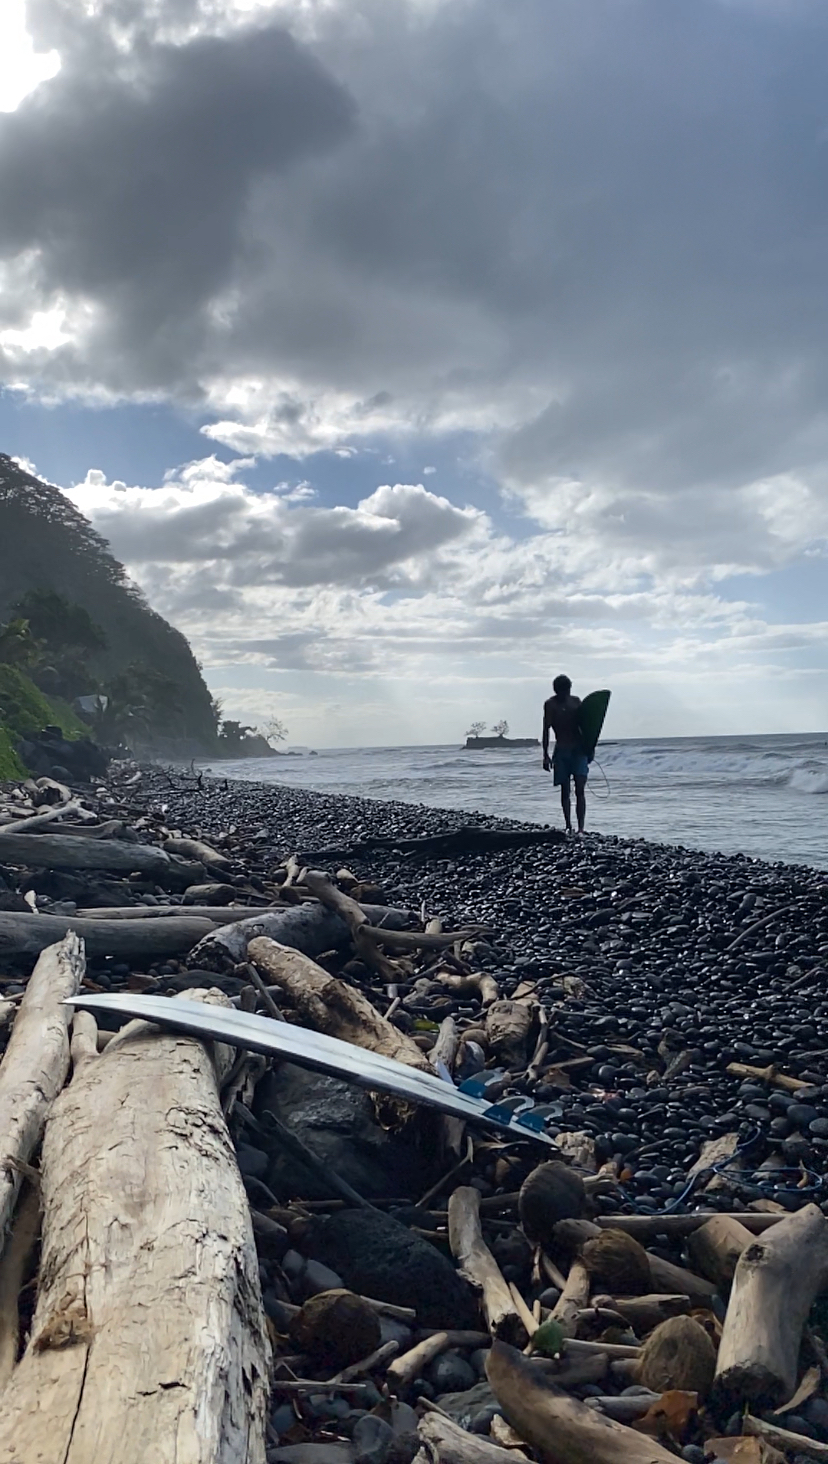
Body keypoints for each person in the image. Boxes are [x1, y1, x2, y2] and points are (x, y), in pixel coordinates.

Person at [542, 674, 588, 833]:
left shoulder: (576, 701)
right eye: (563, 691)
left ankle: (581, 828)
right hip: (561, 750)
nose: (566, 693)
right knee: (565, 789)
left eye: (568, 690)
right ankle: (568, 825)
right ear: (557, 690)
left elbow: (587, 726)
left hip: (579, 750)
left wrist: (590, 749)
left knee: (580, 789)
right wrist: (545, 755)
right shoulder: (550, 704)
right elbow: (546, 730)